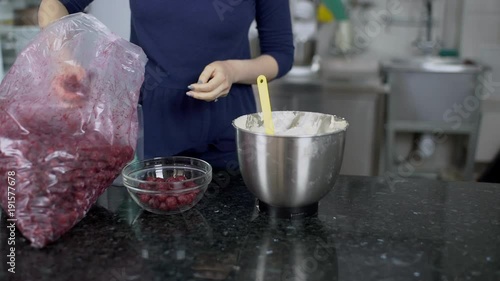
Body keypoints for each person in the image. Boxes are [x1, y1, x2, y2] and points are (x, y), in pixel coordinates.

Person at [38, 0, 294, 175]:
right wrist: (65, 63)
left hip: (229, 134)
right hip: (152, 131)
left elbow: (280, 54)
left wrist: (233, 71)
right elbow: (54, 4)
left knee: (232, 242)